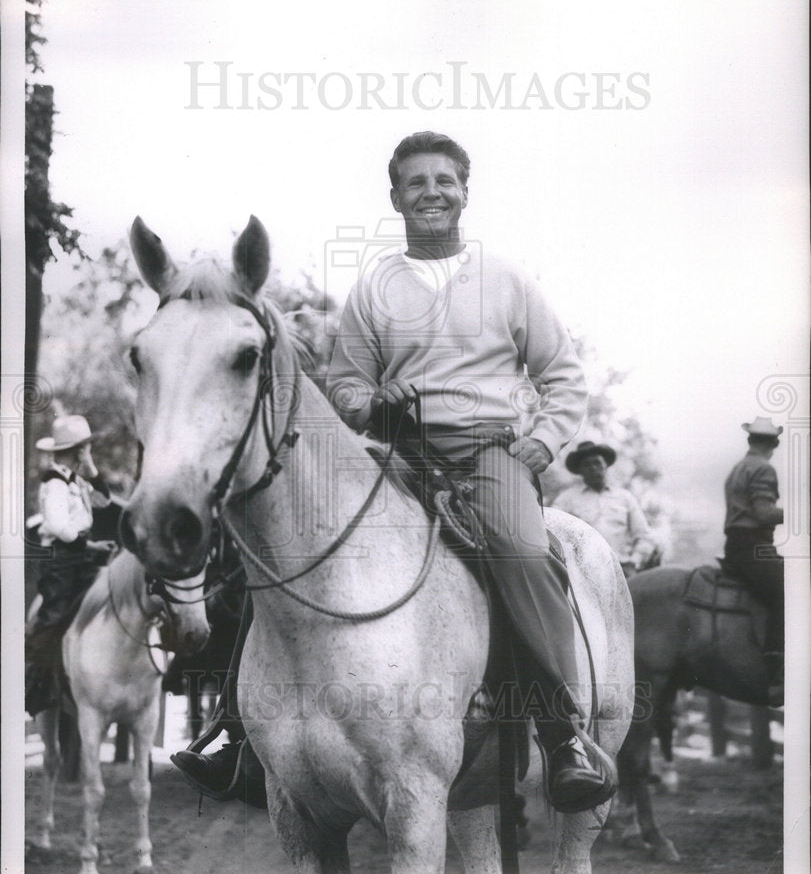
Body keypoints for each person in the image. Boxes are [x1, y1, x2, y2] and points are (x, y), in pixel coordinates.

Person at [173, 131, 614, 814]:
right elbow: (344, 385)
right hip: (395, 453)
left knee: (521, 551)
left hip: (486, 452)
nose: (431, 192)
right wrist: (374, 402)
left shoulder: (506, 278)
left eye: (444, 180)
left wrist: (542, 442)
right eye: (416, 182)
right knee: (291, 545)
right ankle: (238, 730)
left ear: (465, 191)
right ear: (395, 197)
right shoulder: (375, 285)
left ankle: (562, 736)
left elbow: (562, 376)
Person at [25, 414, 115, 716]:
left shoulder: (76, 479)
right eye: (85, 448)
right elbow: (60, 526)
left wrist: (91, 470)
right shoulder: (54, 483)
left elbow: (104, 501)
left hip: (80, 554)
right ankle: (35, 683)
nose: (86, 452)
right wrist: (89, 545)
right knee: (54, 614)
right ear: (76, 449)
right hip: (61, 559)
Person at [723, 416, 785, 706]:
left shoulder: (738, 468)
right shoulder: (764, 468)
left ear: (750, 441)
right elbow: (763, 514)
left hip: (736, 544)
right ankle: (775, 666)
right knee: (786, 592)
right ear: (774, 443)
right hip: (754, 545)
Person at [554, 440, 658, 579]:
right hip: (583, 573)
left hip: (622, 570)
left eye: (597, 463)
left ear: (605, 466)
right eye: (586, 465)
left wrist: (633, 563)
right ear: (580, 471)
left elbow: (644, 535)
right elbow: (553, 530)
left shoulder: (625, 497)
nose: (593, 468)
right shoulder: (566, 499)